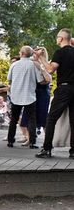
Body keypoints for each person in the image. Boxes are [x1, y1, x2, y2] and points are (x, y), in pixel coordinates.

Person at [35, 29, 74, 158]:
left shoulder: (60, 52)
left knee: (51, 118)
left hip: (64, 89)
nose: (56, 39)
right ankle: (73, 151)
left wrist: (40, 57)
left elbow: (50, 69)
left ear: (61, 38)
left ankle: (47, 148)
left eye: (57, 37)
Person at [5, 46, 44, 149]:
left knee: (14, 119)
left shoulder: (14, 65)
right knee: (32, 119)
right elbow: (40, 80)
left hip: (16, 95)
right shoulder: (33, 65)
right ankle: (32, 142)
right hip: (29, 95)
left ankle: (10, 140)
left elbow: (9, 79)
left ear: (21, 53)